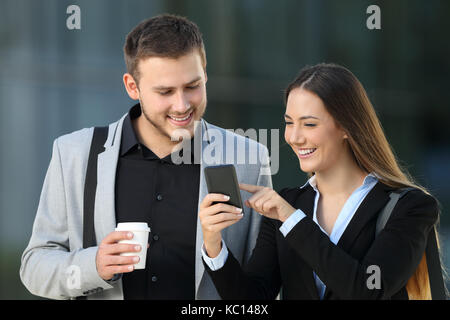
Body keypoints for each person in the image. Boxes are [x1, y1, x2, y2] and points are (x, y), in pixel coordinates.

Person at [20, 14, 272, 300]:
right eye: (165, 91)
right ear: (132, 87)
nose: (182, 105)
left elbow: (262, 286)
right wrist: (94, 266)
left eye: (193, 86)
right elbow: (35, 265)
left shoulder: (247, 158)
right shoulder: (75, 154)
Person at [200, 63, 442, 300]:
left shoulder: (411, 207)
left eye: (309, 124)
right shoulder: (287, 204)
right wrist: (213, 243)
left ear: (348, 127)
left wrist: (292, 219)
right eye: (289, 122)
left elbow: (367, 290)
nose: (294, 137)